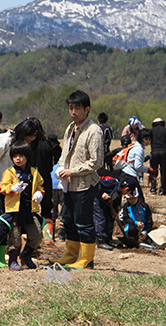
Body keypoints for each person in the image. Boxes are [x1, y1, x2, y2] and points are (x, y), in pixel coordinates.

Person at [0, 118, 46, 265]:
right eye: (27, 139)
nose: (28, 144)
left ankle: (1, 255)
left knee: (7, 224)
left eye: (30, 141)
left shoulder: (21, 147)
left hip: (12, 191)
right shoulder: (6, 142)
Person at [52, 90, 103, 269]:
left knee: (84, 222)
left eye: (77, 108)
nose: (73, 111)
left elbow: (96, 162)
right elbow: (65, 154)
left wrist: (72, 171)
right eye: (71, 108)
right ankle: (71, 255)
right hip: (69, 185)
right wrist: (60, 168)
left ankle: (87, 259)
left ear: (86, 109)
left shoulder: (93, 130)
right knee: (68, 221)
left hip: (84, 184)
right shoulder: (70, 127)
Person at [0, 141, 44, 270]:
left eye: (21, 155)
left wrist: (39, 193)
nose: (18, 158)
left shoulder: (34, 172)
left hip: (30, 210)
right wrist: (12, 188)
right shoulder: (9, 172)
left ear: (27, 157)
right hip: (15, 210)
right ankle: (12, 260)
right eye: (15, 156)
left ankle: (26, 255)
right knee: (15, 238)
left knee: (37, 236)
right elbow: (2, 187)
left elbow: (40, 185)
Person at [93, 169, 122, 251]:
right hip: (96, 196)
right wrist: (102, 193)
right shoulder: (111, 181)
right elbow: (95, 182)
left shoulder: (119, 190)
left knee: (109, 216)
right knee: (100, 217)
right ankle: (100, 240)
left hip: (106, 200)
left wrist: (115, 212)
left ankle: (107, 239)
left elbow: (116, 202)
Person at [121, 128, 152, 202]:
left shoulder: (136, 146)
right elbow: (137, 166)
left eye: (149, 139)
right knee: (139, 199)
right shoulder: (139, 149)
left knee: (133, 197)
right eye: (146, 139)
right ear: (141, 138)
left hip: (126, 173)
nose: (148, 141)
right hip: (129, 175)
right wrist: (148, 169)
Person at [149, 118, 166, 195]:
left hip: (154, 151)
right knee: (164, 171)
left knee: (153, 170)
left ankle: (153, 187)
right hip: (163, 151)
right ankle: (163, 189)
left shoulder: (151, 131)